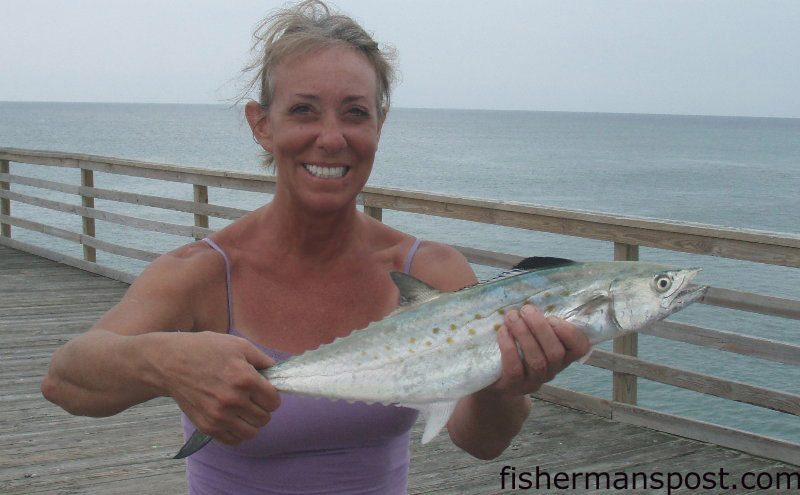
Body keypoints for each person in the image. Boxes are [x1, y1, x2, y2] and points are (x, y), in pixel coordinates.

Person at [41, 1, 590, 493]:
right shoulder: (205, 272)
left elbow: (482, 441)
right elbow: (65, 380)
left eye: (355, 112)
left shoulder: (429, 269)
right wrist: (162, 362)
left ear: (380, 125)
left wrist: (506, 384)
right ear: (262, 124)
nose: (331, 137)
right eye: (303, 110)